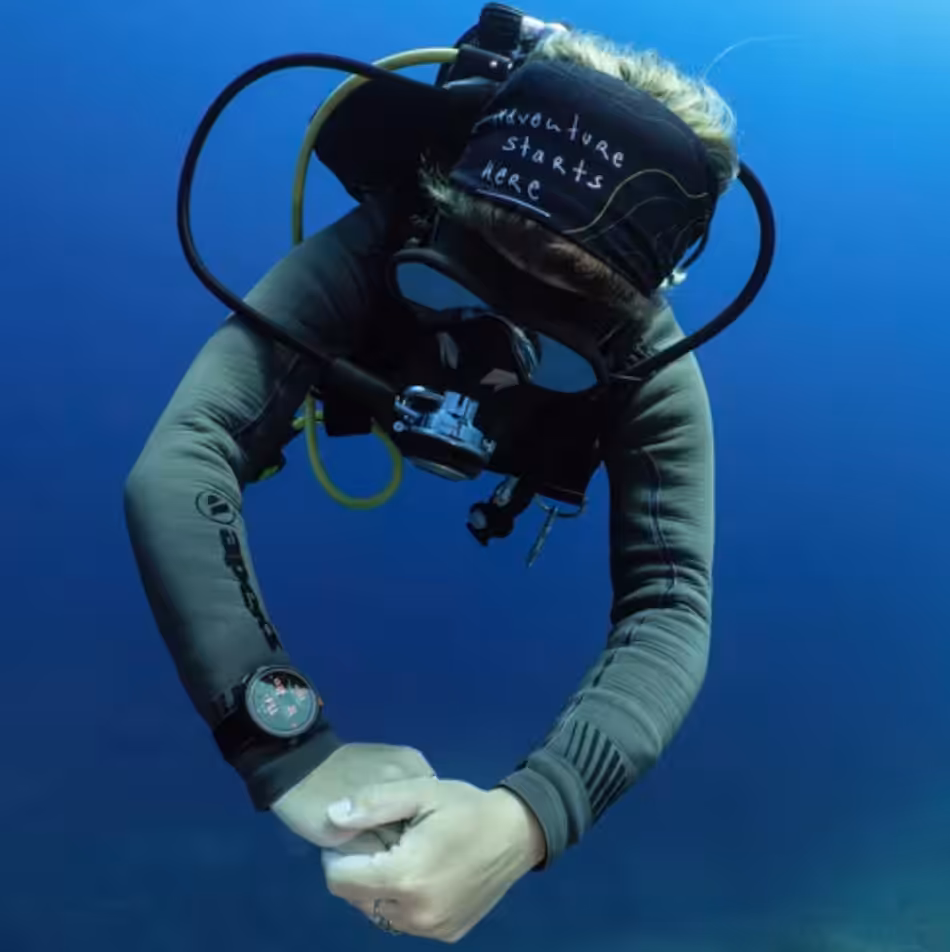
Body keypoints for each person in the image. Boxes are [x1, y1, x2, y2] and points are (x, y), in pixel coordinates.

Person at [125, 5, 771, 943]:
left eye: (564, 306)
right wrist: (284, 745)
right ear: (448, 191)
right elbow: (184, 457)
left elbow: (670, 607)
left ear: (644, 295)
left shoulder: (646, 357)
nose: (495, 349)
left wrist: (528, 818)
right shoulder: (385, 236)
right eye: (479, 263)